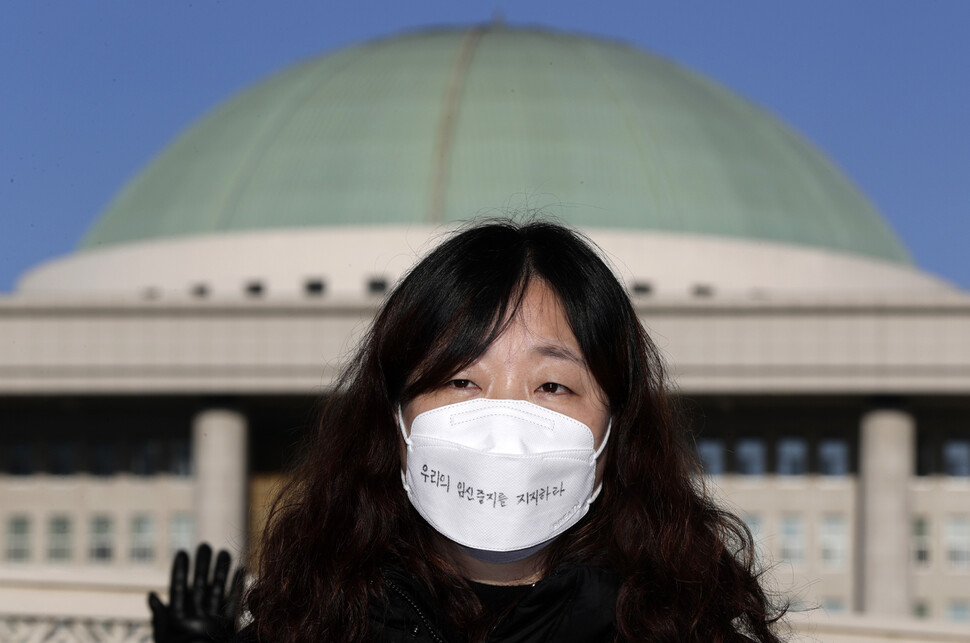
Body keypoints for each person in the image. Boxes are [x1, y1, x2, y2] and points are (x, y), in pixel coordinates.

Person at [153, 219, 786, 642]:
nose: (504, 423)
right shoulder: (310, 626)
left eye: (552, 386)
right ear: (396, 417)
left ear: (615, 430)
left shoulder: (684, 630)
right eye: (460, 382)